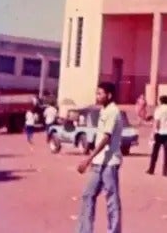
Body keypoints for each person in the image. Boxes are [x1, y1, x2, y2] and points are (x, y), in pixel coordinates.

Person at [75, 82, 123, 233]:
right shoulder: (104, 110)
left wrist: (88, 159)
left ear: (109, 95)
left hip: (109, 163)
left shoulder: (113, 111)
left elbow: (107, 138)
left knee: (111, 200)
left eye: (100, 93)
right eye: (97, 93)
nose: (97, 96)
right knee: (87, 195)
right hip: (98, 162)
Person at [147, 95, 167, 176]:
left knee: (155, 152)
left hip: (159, 132)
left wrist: (153, 133)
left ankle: (151, 169)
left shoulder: (158, 110)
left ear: (160, 101)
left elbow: (157, 122)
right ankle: (165, 171)